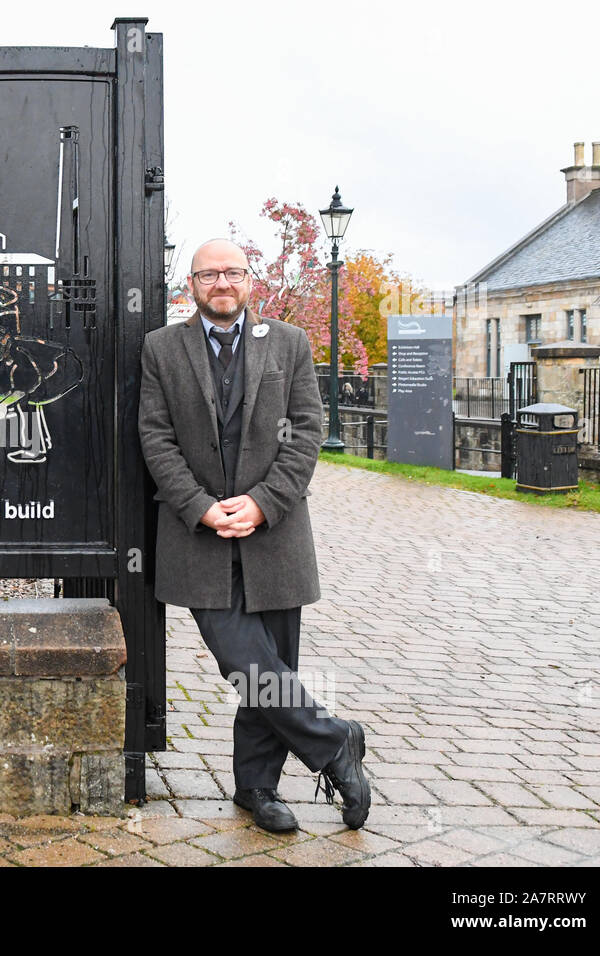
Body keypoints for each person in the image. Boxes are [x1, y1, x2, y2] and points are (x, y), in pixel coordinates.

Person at [137, 238, 371, 833]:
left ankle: (257, 790)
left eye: (233, 272)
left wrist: (264, 504)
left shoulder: (289, 343)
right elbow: (156, 438)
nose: (222, 283)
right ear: (190, 284)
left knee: (273, 667)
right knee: (245, 663)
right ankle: (334, 741)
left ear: (250, 280)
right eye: (209, 274)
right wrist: (201, 507)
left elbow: (306, 434)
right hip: (197, 537)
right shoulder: (162, 348)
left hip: (277, 537)